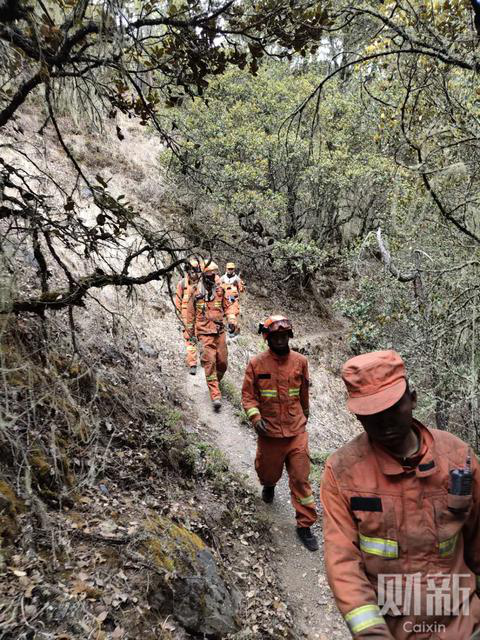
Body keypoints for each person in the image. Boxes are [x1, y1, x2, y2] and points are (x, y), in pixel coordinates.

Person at [320, 350, 480, 639]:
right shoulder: (342, 472)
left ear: (413, 398)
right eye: (371, 415)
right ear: (358, 415)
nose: (384, 423)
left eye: (392, 408)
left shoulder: (458, 458)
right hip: (392, 629)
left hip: (461, 624)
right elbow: (343, 564)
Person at [241, 315, 318, 551]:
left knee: (301, 479)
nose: (282, 340)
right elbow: (248, 396)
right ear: (268, 338)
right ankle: (269, 484)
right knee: (267, 472)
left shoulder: (300, 361)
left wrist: (305, 414)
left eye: (285, 336)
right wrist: (255, 418)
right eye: (277, 337)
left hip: (296, 431)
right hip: (270, 433)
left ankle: (304, 525)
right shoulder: (256, 363)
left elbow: (303, 391)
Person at [185, 261, 237, 411]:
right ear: (203, 275)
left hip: (219, 332)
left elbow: (230, 304)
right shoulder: (196, 291)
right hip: (204, 333)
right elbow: (190, 314)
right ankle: (215, 395)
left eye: (213, 274)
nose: (212, 277)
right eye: (209, 275)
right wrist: (190, 334)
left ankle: (216, 383)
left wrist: (232, 319)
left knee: (222, 363)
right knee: (210, 362)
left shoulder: (221, 289)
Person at [175, 258, 202, 375]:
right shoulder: (182, 284)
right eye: (190, 271)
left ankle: (205, 357)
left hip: (201, 316)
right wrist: (179, 316)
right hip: (187, 318)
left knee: (203, 337)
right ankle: (192, 363)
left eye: (194, 271)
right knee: (189, 339)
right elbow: (178, 301)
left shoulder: (203, 285)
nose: (192, 273)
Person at [220, 262, 244, 336]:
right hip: (223, 301)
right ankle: (223, 334)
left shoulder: (237, 279)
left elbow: (242, 290)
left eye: (232, 269)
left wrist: (240, 284)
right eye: (229, 269)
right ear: (226, 269)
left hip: (233, 302)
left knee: (232, 319)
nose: (230, 270)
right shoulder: (222, 278)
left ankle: (235, 335)